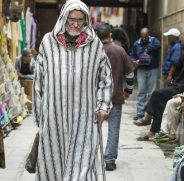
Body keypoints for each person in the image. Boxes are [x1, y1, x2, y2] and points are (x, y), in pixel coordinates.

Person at [33, 0, 112, 180]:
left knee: (82, 167)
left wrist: (103, 106)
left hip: (84, 118)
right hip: (53, 117)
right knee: (52, 165)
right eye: (71, 19)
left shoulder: (95, 45)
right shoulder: (48, 42)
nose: (76, 24)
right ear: (63, 18)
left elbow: (106, 77)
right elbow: (39, 80)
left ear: (86, 21)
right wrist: (39, 115)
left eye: (80, 20)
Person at [95, 23, 135, 171]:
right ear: (110, 35)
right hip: (115, 97)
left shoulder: (92, 51)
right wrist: (128, 90)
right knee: (113, 129)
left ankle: (90, 155)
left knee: (93, 127)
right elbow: (130, 74)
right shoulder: (119, 51)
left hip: (95, 98)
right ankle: (110, 160)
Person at [134, 42, 184, 141]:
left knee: (157, 94)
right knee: (159, 103)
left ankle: (148, 118)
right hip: (178, 87)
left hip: (181, 89)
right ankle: (153, 130)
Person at [130, 27, 161, 121]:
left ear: (149, 34)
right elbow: (132, 54)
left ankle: (149, 113)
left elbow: (157, 46)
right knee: (141, 91)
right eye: (142, 37)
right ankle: (140, 113)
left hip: (152, 69)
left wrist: (146, 50)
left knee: (152, 92)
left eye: (145, 37)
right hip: (141, 70)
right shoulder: (136, 43)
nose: (144, 39)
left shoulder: (154, 41)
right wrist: (134, 61)